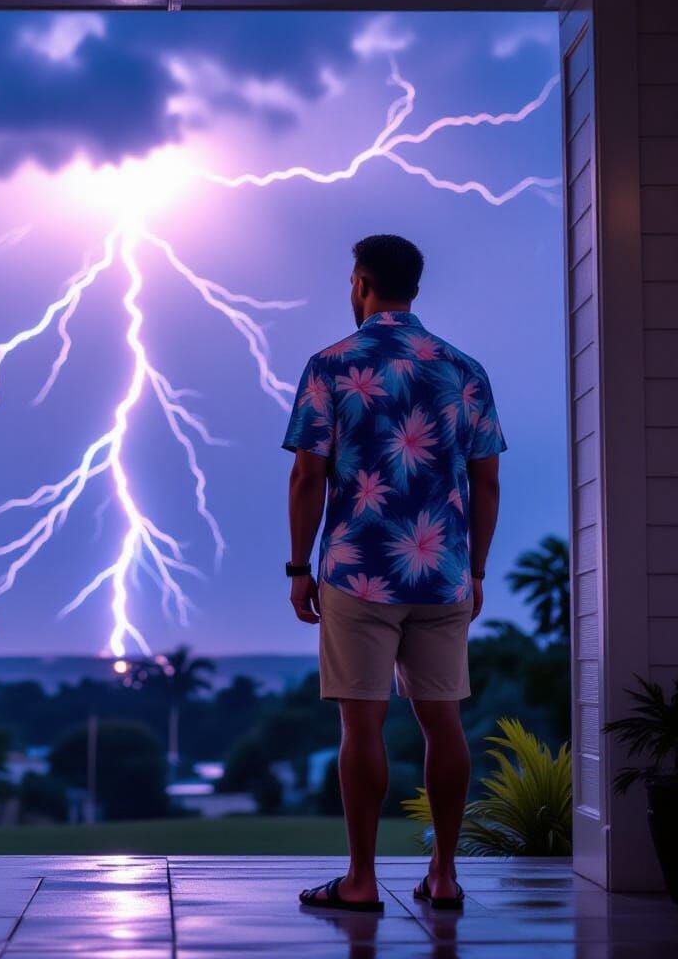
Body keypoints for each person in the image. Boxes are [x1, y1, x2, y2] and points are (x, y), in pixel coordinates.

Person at [282, 235, 505, 913]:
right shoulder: (462, 370)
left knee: (362, 727)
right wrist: (475, 570)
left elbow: (307, 474)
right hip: (442, 573)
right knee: (444, 724)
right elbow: (487, 481)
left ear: (360, 282)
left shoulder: (331, 365)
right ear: (416, 286)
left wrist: (299, 567)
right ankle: (442, 874)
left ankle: (360, 879)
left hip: (358, 571)